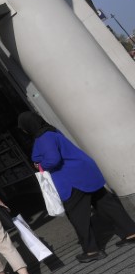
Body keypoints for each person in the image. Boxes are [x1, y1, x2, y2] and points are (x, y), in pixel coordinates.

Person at [18, 112, 135, 262]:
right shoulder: (52, 131)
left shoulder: (43, 138)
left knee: (78, 216)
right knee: (106, 203)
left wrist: (40, 165)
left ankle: (92, 251)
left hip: (72, 180)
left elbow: (53, 159)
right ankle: (131, 232)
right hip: (86, 171)